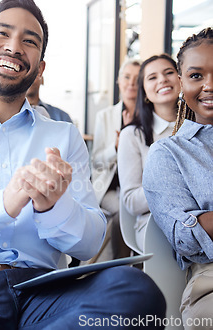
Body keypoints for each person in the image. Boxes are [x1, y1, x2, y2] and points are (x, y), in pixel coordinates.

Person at [0, 0, 165, 328]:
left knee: (134, 290)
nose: (14, 46)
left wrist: (54, 210)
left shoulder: (63, 136)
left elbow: (91, 241)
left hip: (44, 292)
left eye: (30, 41)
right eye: (2, 33)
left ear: (40, 67)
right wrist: (1, 206)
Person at [143, 27, 213, 330]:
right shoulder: (168, 153)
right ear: (182, 83)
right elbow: (185, 237)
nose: (210, 85)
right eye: (197, 76)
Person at [118, 54, 179, 252]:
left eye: (169, 72)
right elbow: (131, 201)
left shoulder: (200, 127)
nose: (162, 79)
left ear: (181, 79)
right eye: (152, 77)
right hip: (154, 224)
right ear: (143, 91)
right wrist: (175, 185)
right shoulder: (132, 135)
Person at [90, 59, 140, 260]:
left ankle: (143, 266)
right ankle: (122, 265)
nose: (131, 83)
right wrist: (116, 147)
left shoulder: (149, 116)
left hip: (137, 185)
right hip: (109, 188)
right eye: (127, 77)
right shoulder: (105, 116)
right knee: (123, 212)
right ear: (119, 81)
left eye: (137, 79)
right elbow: (96, 161)